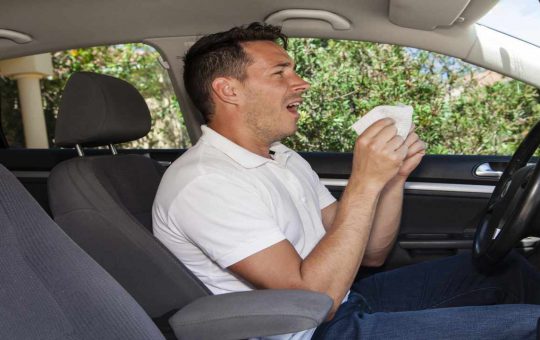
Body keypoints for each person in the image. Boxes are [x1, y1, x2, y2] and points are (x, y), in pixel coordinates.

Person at [152, 22, 540, 339]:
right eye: (280, 72)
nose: (301, 82)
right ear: (228, 90)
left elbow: (370, 252)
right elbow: (312, 300)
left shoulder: (282, 157)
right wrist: (364, 181)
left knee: (506, 270)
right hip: (304, 331)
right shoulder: (204, 182)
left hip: (344, 298)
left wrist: (392, 180)